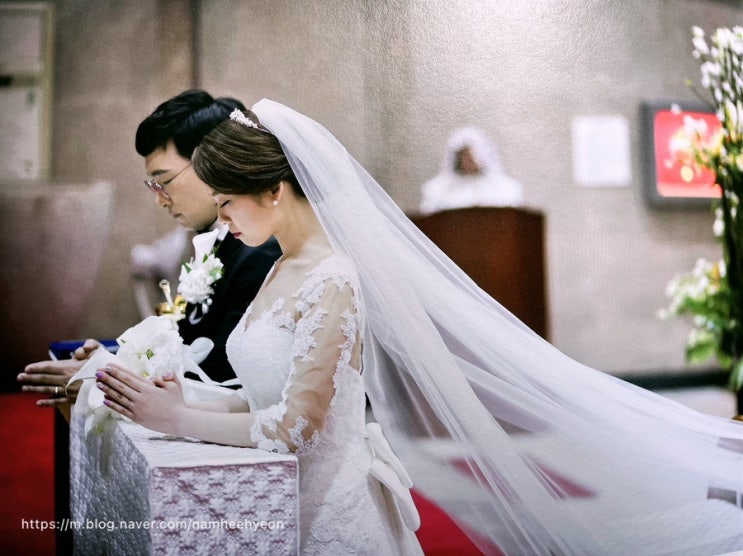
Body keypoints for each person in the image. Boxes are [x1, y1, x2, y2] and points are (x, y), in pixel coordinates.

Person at [96, 100, 743, 555]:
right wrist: (193, 400)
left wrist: (180, 421)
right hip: (282, 502)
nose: (222, 219)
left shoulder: (332, 277)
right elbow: (269, 388)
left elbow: (296, 428)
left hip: (325, 513)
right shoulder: (281, 267)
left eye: (227, 203)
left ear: (273, 191)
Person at [17, 90, 282, 410]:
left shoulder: (260, 253)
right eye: (153, 185)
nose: (160, 199)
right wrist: (116, 362)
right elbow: (185, 345)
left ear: (212, 163)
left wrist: (109, 380)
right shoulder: (215, 244)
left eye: (163, 181)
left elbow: (225, 378)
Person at [419, 126, 524, 215]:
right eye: (463, 156)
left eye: (470, 156)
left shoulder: (506, 188)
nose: (467, 161)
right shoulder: (439, 189)